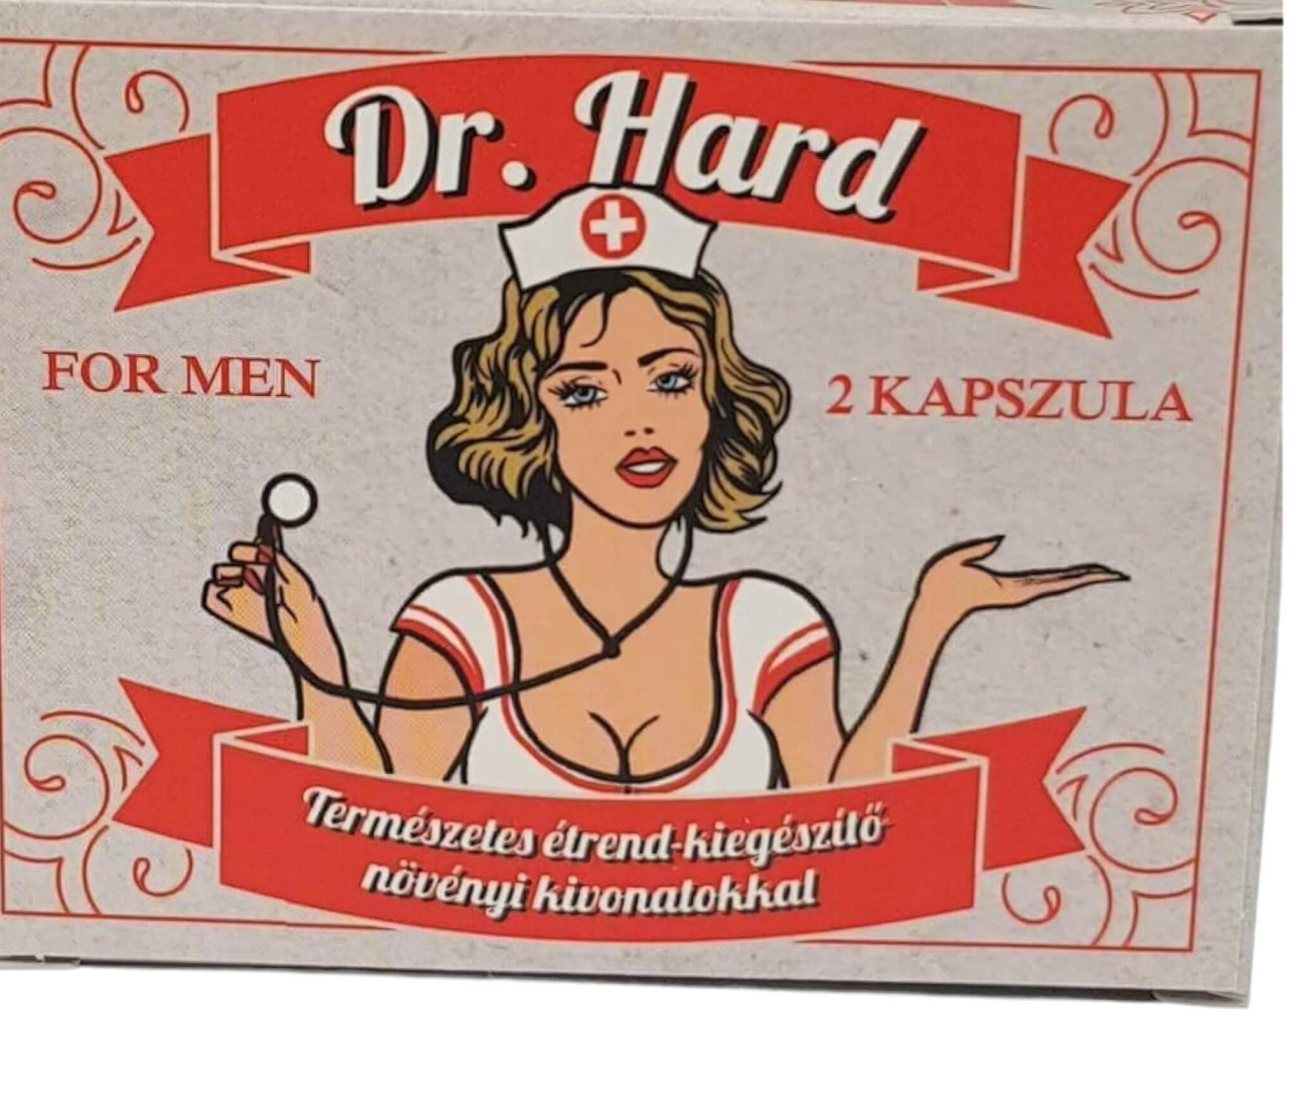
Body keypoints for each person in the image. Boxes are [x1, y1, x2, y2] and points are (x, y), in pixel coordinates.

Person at [204, 186, 1126, 793]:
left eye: (671, 379)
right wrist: (309, 652)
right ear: (529, 420)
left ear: (715, 403)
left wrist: (933, 618)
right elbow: (371, 815)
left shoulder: (766, 624)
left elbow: (851, 815)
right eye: (585, 391)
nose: (637, 422)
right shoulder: (465, 620)